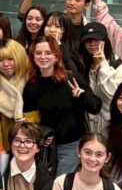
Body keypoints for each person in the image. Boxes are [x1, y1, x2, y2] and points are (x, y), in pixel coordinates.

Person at [22, 36, 101, 175]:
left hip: (70, 145)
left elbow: (96, 106)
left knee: (62, 184)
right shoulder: (32, 84)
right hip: (44, 146)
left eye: (48, 53)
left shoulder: (69, 78)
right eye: (38, 53)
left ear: (56, 56)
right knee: (44, 184)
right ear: (32, 57)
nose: (43, 57)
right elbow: (30, 117)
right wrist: (42, 132)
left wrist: (81, 97)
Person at [78, 22, 122, 132]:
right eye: (88, 40)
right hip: (87, 125)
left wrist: (103, 64)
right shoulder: (82, 65)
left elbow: (113, 93)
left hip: (110, 125)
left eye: (96, 40)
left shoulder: (119, 66)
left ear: (105, 41)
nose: (92, 44)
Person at [0, 38, 28, 157]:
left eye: (10, 59)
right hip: (5, 145)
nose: (6, 64)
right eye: (0, 60)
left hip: (31, 144)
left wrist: (27, 119)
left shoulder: (31, 79)